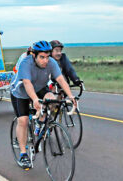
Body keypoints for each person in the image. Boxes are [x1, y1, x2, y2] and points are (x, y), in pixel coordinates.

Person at [10, 40, 77, 169]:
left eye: (47, 57)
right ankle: (23, 154)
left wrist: (70, 96)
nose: (45, 61)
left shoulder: (51, 62)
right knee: (23, 120)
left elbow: (60, 79)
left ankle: (40, 125)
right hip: (21, 91)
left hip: (39, 87)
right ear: (34, 56)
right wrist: (35, 100)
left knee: (52, 99)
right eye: (42, 57)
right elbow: (27, 84)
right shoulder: (26, 63)